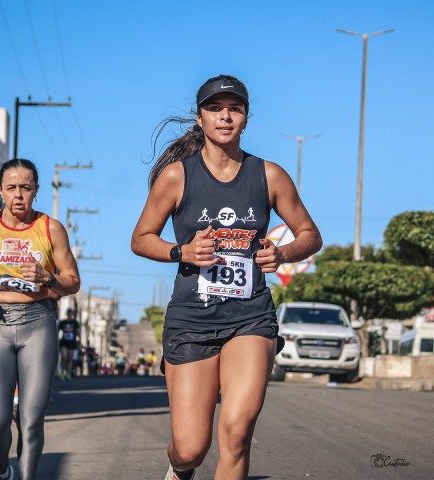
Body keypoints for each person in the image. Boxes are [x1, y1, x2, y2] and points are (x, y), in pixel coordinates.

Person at [131, 75, 322, 480]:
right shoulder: (177, 177)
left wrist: (282, 253)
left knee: (236, 436)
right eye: (215, 108)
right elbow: (141, 238)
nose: (225, 115)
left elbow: (311, 235)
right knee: (191, 448)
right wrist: (181, 251)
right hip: (191, 321)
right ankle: (179, 467)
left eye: (234, 108)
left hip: (250, 317)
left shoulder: (268, 175)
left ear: (246, 118)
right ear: (200, 118)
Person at [0, 158, 80, 480]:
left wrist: (48, 278)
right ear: (0, 191)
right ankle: (0, 472)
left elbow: (73, 281)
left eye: (25, 187)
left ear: (36, 190)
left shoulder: (51, 228)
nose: (18, 195)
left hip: (37, 323)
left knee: (31, 420)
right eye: (11, 188)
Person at [58, 307, 80, 380]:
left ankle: (68, 374)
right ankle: (62, 373)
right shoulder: (63, 322)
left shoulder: (75, 322)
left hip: (72, 342)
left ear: (73, 314)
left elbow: (78, 332)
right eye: (69, 312)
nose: (70, 314)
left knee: (70, 359)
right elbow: (58, 330)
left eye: (71, 312)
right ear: (67, 313)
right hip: (64, 342)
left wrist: (78, 336)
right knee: (64, 357)